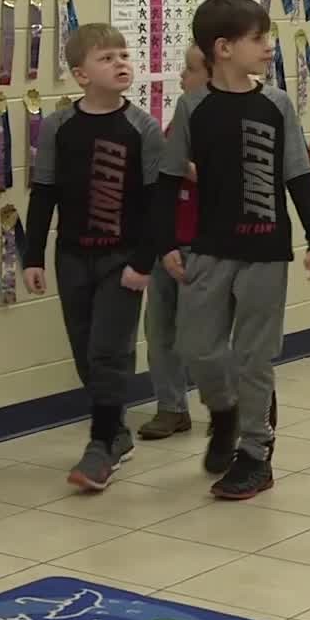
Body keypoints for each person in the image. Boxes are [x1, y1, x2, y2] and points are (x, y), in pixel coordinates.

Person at [145, 0, 310, 500]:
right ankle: (222, 412)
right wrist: (166, 244)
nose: (269, 48)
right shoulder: (193, 108)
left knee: (254, 357)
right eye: (259, 39)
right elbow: (166, 181)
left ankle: (255, 452)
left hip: (266, 251)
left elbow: (297, 174)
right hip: (208, 248)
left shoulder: (276, 104)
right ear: (224, 48)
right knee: (198, 348)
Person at [21, 23, 163, 491]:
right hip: (72, 256)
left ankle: (101, 444)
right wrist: (32, 256)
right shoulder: (59, 126)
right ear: (81, 75)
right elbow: (44, 192)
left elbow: (155, 202)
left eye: (124, 55)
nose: (122, 63)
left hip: (121, 257)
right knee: (85, 351)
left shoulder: (142, 128)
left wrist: (144, 262)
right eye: (108, 58)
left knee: (108, 351)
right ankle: (116, 431)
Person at [137, 46, 208, 442]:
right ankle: (170, 407)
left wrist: (181, 166)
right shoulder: (177, 122)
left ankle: (224, 407)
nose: (181, 77)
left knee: (207, 337)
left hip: (209, 246)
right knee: (160, 329)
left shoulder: (230, 119)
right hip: (169, 242)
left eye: (190, 70)